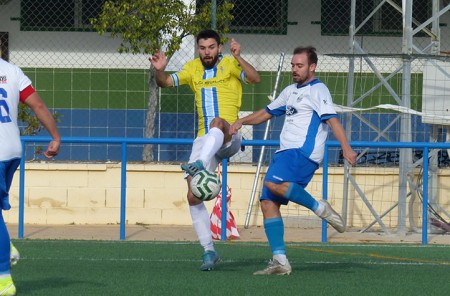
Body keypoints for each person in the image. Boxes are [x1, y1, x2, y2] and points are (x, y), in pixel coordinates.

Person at [230, 46, 357, 275]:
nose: (294, 69)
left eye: (299, 66)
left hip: (302, 152)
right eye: (293, 65)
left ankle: (321, 208)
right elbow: (267, 112)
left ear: (312, 67)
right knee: (268, 203)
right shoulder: (290, 91)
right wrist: (242, 121)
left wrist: (346, 149)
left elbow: (333, 121)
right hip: (286, 152)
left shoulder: (318, 90)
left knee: (271, 182)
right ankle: (280, 261)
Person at [150, 29, 260, 271]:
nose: (207, 52)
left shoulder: (230, 65)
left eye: (211, 47)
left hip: (230, 133)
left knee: (217, 122)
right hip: (205, 140)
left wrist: (239, 56)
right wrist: (159, 70)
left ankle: (200, 164)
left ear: (218, 48)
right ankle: (209, 251)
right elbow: (165, 83)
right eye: (202, 48)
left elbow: (255, 78)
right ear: (197, 49)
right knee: (192, 196)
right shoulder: (192, 69)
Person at [0, 58, 61, 294]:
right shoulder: (12, 71)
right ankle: (6, 247)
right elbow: (38, 106)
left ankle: (4, 278)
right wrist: (55, 137)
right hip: (13, 150)